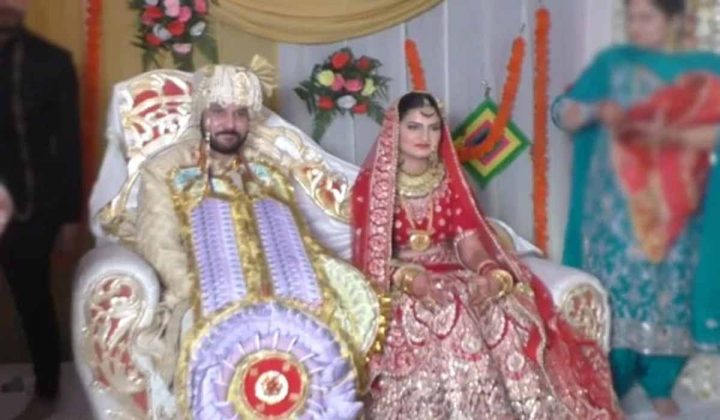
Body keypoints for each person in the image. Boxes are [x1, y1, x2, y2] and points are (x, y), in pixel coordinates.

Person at [351, 92, 623, 419]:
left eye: (433, 128)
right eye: (414, 127)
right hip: (401, 281)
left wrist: (490, 272)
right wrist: (411, 279)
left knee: (500, 306)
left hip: (451, 269)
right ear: (395, 130)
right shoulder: (374, 186)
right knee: (450, 311)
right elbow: (372, 255)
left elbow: (468, 241)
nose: (425, 136)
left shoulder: (450, 181)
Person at [552, 0, 720, 415]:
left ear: (674, 19)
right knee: (615, 293)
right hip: (615, 211)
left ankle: (660, 382)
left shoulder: (706, 68)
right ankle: (612, 381)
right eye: (631, 18)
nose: (636, 26)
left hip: (680, 206)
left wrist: (674, 135)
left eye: (647, 17)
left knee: (672, 292)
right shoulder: (613, 63)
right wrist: (592, 109)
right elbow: (563, 113)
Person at [0, 0, 82, 417]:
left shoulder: (51, 62)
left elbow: (68, 143)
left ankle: (47, 391)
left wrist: (70, 217)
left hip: (32, 207)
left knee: (33, 301)